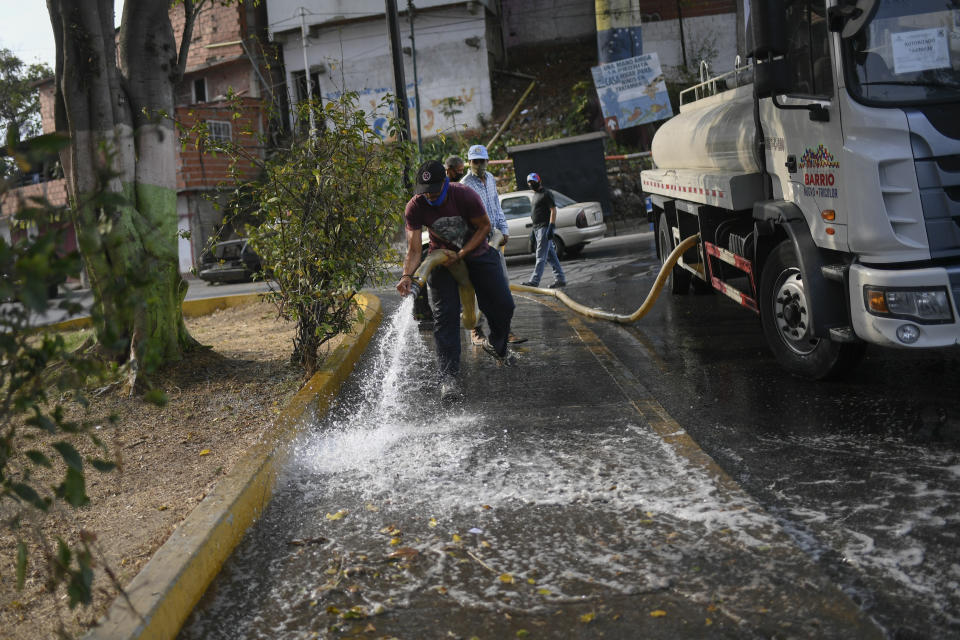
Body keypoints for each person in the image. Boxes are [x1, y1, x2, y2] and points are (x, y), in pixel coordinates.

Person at [397, 160, 516, 402]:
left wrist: (462, 254)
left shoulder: (463, 194)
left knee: (503, 306)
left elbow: (484, 227)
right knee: (445, 317)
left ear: (445, 183)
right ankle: (448, 379)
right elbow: (413, 249)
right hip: (440, 258)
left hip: (478, 252)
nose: (429, 196)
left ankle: (498, 346)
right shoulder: (415, 206)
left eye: (434, 190)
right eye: (424, 191)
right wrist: (407, 276)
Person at [459, 144, 526, 346]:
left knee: (502, 284)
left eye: (482, 161)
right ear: (469, 162)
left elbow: (497, 207)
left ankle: (504, 329)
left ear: (487, 161)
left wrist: (504, 230)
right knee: (480, 288)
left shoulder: (490, 180)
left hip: (495, 239)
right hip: (476, 241)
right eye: (475, 161)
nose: (479, 165)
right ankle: (476, 329)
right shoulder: (464, 185)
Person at [522, 172, 566, 288]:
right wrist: (533, 231)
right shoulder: (535, 195)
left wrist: (551, 226)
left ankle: (534, 281)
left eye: (533, 182)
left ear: (539, 181)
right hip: (537, 229)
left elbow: (553, 210)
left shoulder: (546, 194)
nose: (531, 184)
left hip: (544, 228)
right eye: (529, 183)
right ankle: (560, 279)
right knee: (551, 256)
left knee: (540, 256)